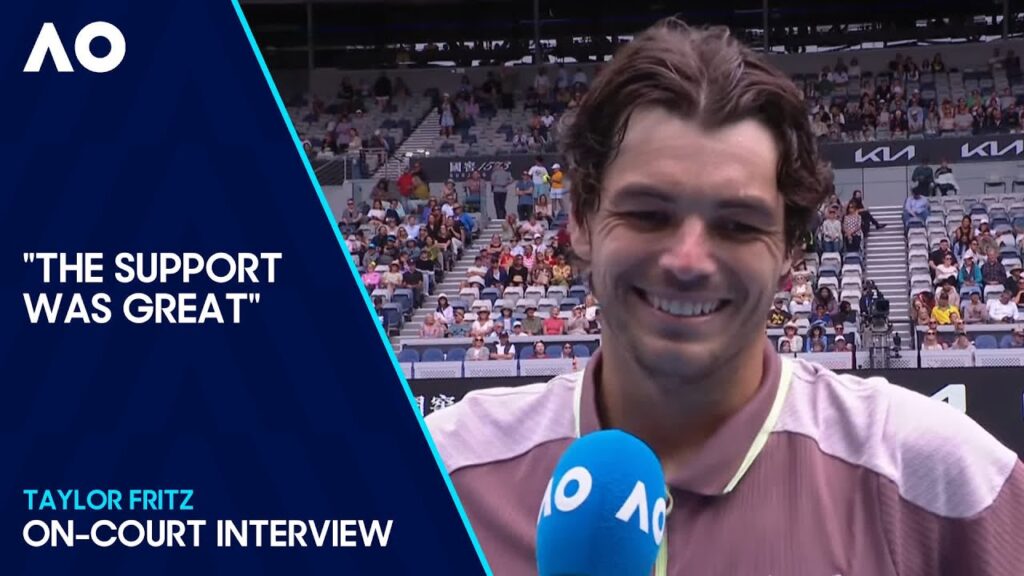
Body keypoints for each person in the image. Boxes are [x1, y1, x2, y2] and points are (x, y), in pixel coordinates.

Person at [427, 20, 1024, 574]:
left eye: (738, 224)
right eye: (647, 213)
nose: (688, 261)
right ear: (580, 220)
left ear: (791, 249)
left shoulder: (936, 480)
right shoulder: (443, 478)